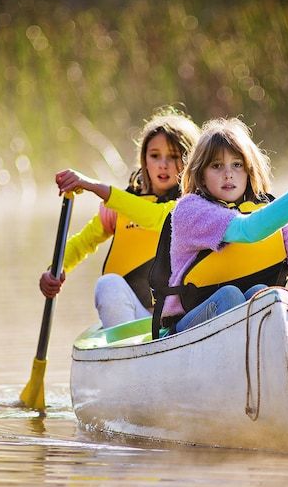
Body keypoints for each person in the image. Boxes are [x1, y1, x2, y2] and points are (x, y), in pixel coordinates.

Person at [151, 117, 288, 337]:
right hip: (184, 332)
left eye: (237, 165)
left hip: (247, 332)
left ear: (249, 171)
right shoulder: (190, 210)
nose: (228, 173)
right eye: (217, 166)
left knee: (266, 296)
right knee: (230, 296)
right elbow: (249, 230)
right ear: (201, 175)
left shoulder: (271, 215)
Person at [39, 108, 200, 328]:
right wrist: (56, 268)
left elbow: (157, 217)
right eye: (155, 156)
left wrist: (95, 186)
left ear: (190, 161)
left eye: (173, 157)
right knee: (108, 285)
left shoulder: (193, 205)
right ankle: (125, 354)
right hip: (135, 320)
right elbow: (83, 242)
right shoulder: (118, 207)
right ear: (144, 160)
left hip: (178, 322)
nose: (163, 165)